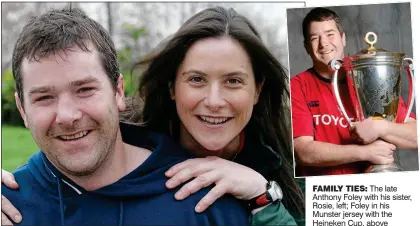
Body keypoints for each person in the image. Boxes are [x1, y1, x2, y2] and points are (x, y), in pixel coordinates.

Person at [2, 6, 305, 226]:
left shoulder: (310, 156)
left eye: (234, 81)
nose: (214, 101)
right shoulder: (13, 203)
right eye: (197, 79)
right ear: (172, 86)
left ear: (257, 89)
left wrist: (263, 195)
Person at [291, 7, 417, 177]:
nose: (323, 44)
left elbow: (415, 135)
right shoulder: (298, 85)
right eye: (315, 38)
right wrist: (365, 152)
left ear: (343, 39)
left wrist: (381, 127)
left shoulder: (369, 76)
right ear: (307, 47)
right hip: (323, 193)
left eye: (330, 34)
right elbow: (304, 152)